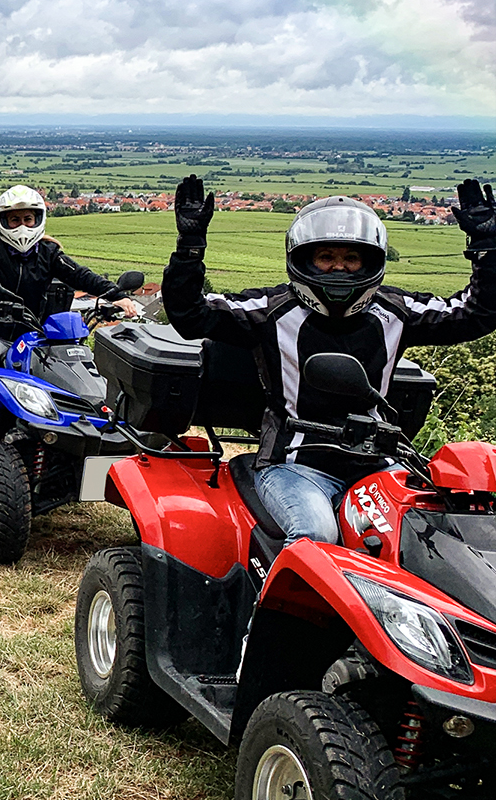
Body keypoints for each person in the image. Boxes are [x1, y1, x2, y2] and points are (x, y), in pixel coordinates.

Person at [163, 175, 496, 545]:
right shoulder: (271, 312)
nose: (339, 268)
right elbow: (190, 314)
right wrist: (190, 246)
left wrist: (486, 247)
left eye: (351, 258)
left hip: (377, 463)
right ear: (304, 259)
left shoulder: (396, 312)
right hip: (295, 464)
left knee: (427, 541)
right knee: (316, 536)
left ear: (370, 262)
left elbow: (475, 313)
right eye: (326, 257)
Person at [0, 139, 139, 369]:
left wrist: (117, 296)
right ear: (4, 221)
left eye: (27, 219)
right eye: (14, 220)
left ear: (37, 220)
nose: (21, 225)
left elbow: (82, 276)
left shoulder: (49, 253)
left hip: (34, 337)